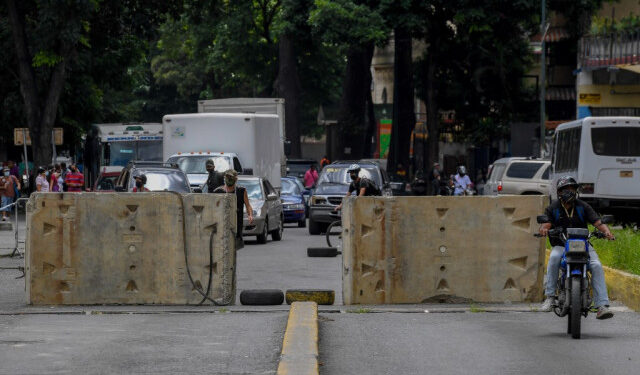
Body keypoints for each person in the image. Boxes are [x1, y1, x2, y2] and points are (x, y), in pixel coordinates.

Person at [539, 176, 615, 319]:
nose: (569, 191)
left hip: (584, 245)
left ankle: (602, 306)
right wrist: (543, 229)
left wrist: (606, 232)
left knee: (596, 265)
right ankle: (550, 297)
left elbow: (597, 222)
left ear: (576, 191)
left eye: (572, 188)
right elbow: (546, 223)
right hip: (561, 245)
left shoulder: (583, 206)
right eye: (566, 189)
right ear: (559, 192)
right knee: (554, 258)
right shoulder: (553, 207)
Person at [213, 170, 254, 249]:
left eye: (231, 177)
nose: (229, 179)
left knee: (233, 249)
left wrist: (250, 215)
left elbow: (248, 206)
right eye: (227, 177)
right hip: (222, 225)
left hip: (236, 225)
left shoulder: (241, 191)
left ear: (235, 179)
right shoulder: (218, 191)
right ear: (224, 178)